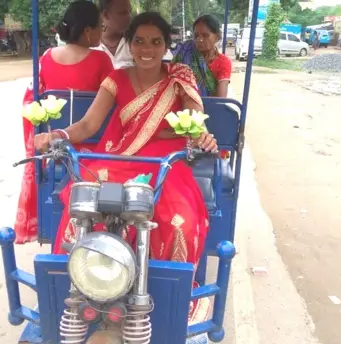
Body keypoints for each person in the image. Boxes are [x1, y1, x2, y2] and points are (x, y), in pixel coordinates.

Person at [34, 12, 217, 327]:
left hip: (164, 164)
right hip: (118, 157)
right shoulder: (116, 79)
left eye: (156, 41)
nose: (147, 48)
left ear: (166, 45)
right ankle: (81, 289)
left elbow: (192, 122)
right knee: (82, 207)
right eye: (139, 41)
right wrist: (58, 135)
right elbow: (88, 124)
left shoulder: (179, 76)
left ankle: (167, 298)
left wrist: (200, 135)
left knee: (179, 221)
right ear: (129, 45)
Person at [15, 0, 114, 244]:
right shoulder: (102, 60)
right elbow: (111, 106)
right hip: (92, 146)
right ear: (88, 31)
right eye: (101, 27)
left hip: (56, 147)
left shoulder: (47, 57)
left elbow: (31, 102)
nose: (103, 32)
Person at [172, 14, 232, 98]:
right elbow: (172, 81)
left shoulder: (223, 62)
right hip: (183, 106)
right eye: (196, 36)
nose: (199, 39)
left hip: (211, 107)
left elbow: (220, 99)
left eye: (205, 35)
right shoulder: (186, 52)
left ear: (217, 37)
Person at [94, 0, 134, 69]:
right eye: (123, 13)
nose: (129, 18)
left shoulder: (135, 43)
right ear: (105, 15)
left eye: (129, 12)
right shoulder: (89, 47)